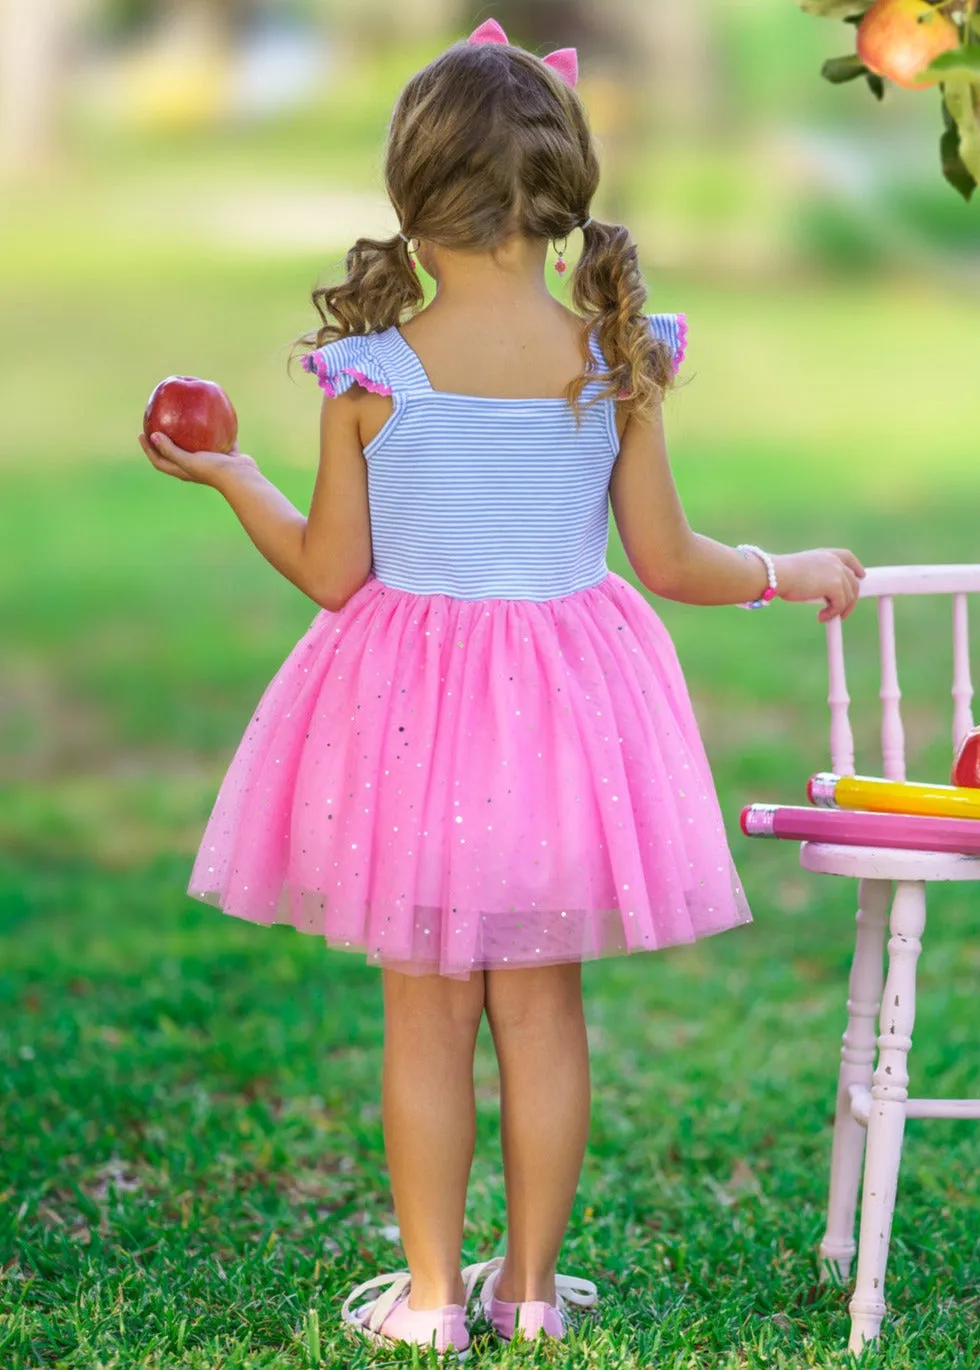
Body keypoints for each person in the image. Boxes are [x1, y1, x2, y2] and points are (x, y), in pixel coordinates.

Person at [138, 16, 865, 1361]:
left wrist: (235, 475)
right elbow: (670, 560)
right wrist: (788, 564)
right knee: (541, 1009)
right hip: (562, 729)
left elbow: (332, 575)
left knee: (425, 1013)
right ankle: (528, 1287)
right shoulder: (616, 362)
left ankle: (429, 1299)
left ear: (411, 200)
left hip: (408, 734)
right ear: (563, 196)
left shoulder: (368, 376)